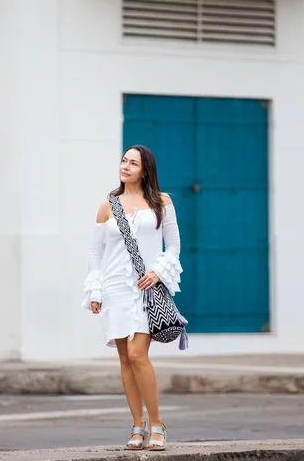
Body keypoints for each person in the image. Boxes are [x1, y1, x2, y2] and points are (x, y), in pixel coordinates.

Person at [82, 145, 184, 451]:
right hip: (113, 289)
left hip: (144, 290)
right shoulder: (107, 205)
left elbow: (174, 247)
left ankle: (157, 423)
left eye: (133, 162)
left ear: (145, 169)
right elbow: (95, 253)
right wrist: (95, 289)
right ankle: (137, 425)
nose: (125, 166)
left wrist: (158, 272)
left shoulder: (161, 202)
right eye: (124, 160)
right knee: (125, 359)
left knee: (139, 355)